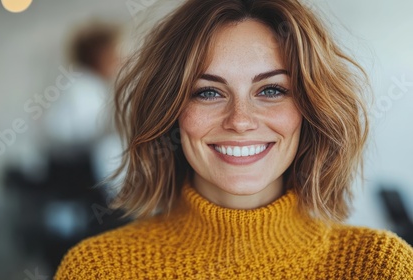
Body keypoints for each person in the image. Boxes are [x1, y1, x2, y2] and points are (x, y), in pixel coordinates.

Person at [54, 0, 413, 279]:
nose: (240, 121)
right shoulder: (97, 270)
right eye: (208, 92)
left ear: (311, 110)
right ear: (171, 112)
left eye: (271, 89)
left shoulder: (380, 267)